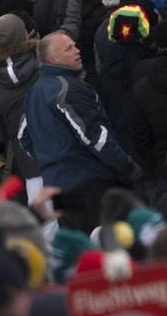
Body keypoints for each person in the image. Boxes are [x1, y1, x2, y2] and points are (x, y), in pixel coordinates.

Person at [20, 29, 134, 232]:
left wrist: (50, 160)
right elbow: (94, 136)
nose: (77, 51)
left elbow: (24, 138)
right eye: (69, 48)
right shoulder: (68, 89)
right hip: (89, 182)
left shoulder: (34, 93)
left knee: (81, 251)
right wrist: (125, 165)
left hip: (58, 187)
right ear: (53, 58)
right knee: (104, 246)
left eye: (75, 45)